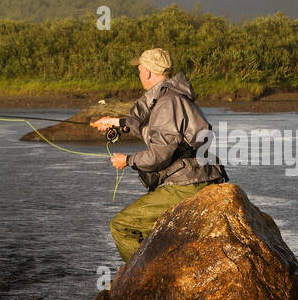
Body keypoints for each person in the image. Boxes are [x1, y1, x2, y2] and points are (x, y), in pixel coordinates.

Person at [92, 47, 227, 264]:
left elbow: (159, 155)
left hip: (186, 183)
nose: (138, 74)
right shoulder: (173, 97)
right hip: (196, 175)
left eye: (139, 70)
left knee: (121, 226)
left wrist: (126, 161)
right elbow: (155, 131)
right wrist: (116, 123)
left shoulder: (167, 103)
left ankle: (141, 280)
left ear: (147, 73)